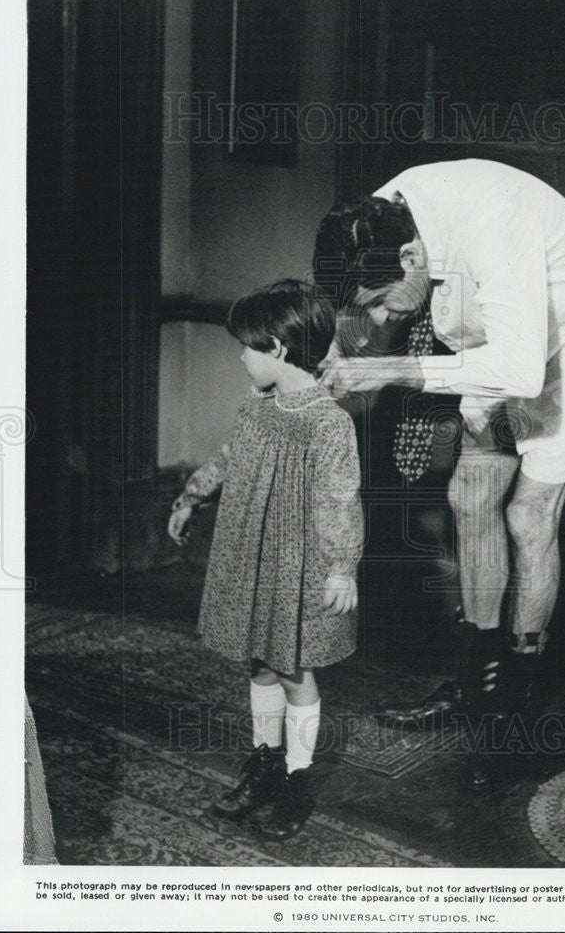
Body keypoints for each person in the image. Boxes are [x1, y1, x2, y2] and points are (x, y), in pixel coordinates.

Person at [313, 159, 565, 762]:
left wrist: (385, 369)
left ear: (411, 259)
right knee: (469, 494)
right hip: (497, 337)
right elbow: (364, 311)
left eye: (388, 302)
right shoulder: (376, 216)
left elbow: (520, 370)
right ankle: (475, 681)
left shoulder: (493, 218)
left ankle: (512, 704)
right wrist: (335, 357)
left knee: (528, 515)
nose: (386, 318)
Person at [168, 279, 363, 838]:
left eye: (248, 347)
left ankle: (297, 781)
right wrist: (193, 494)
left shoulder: (329, 423)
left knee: (294, 669)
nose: (240, 356)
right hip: (249, 553)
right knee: (258, 661)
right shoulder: (258, 406)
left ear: (277, 349)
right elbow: (231, 457)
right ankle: (265, 763)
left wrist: (343, 565)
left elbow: (340, 496)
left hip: (297, 564)